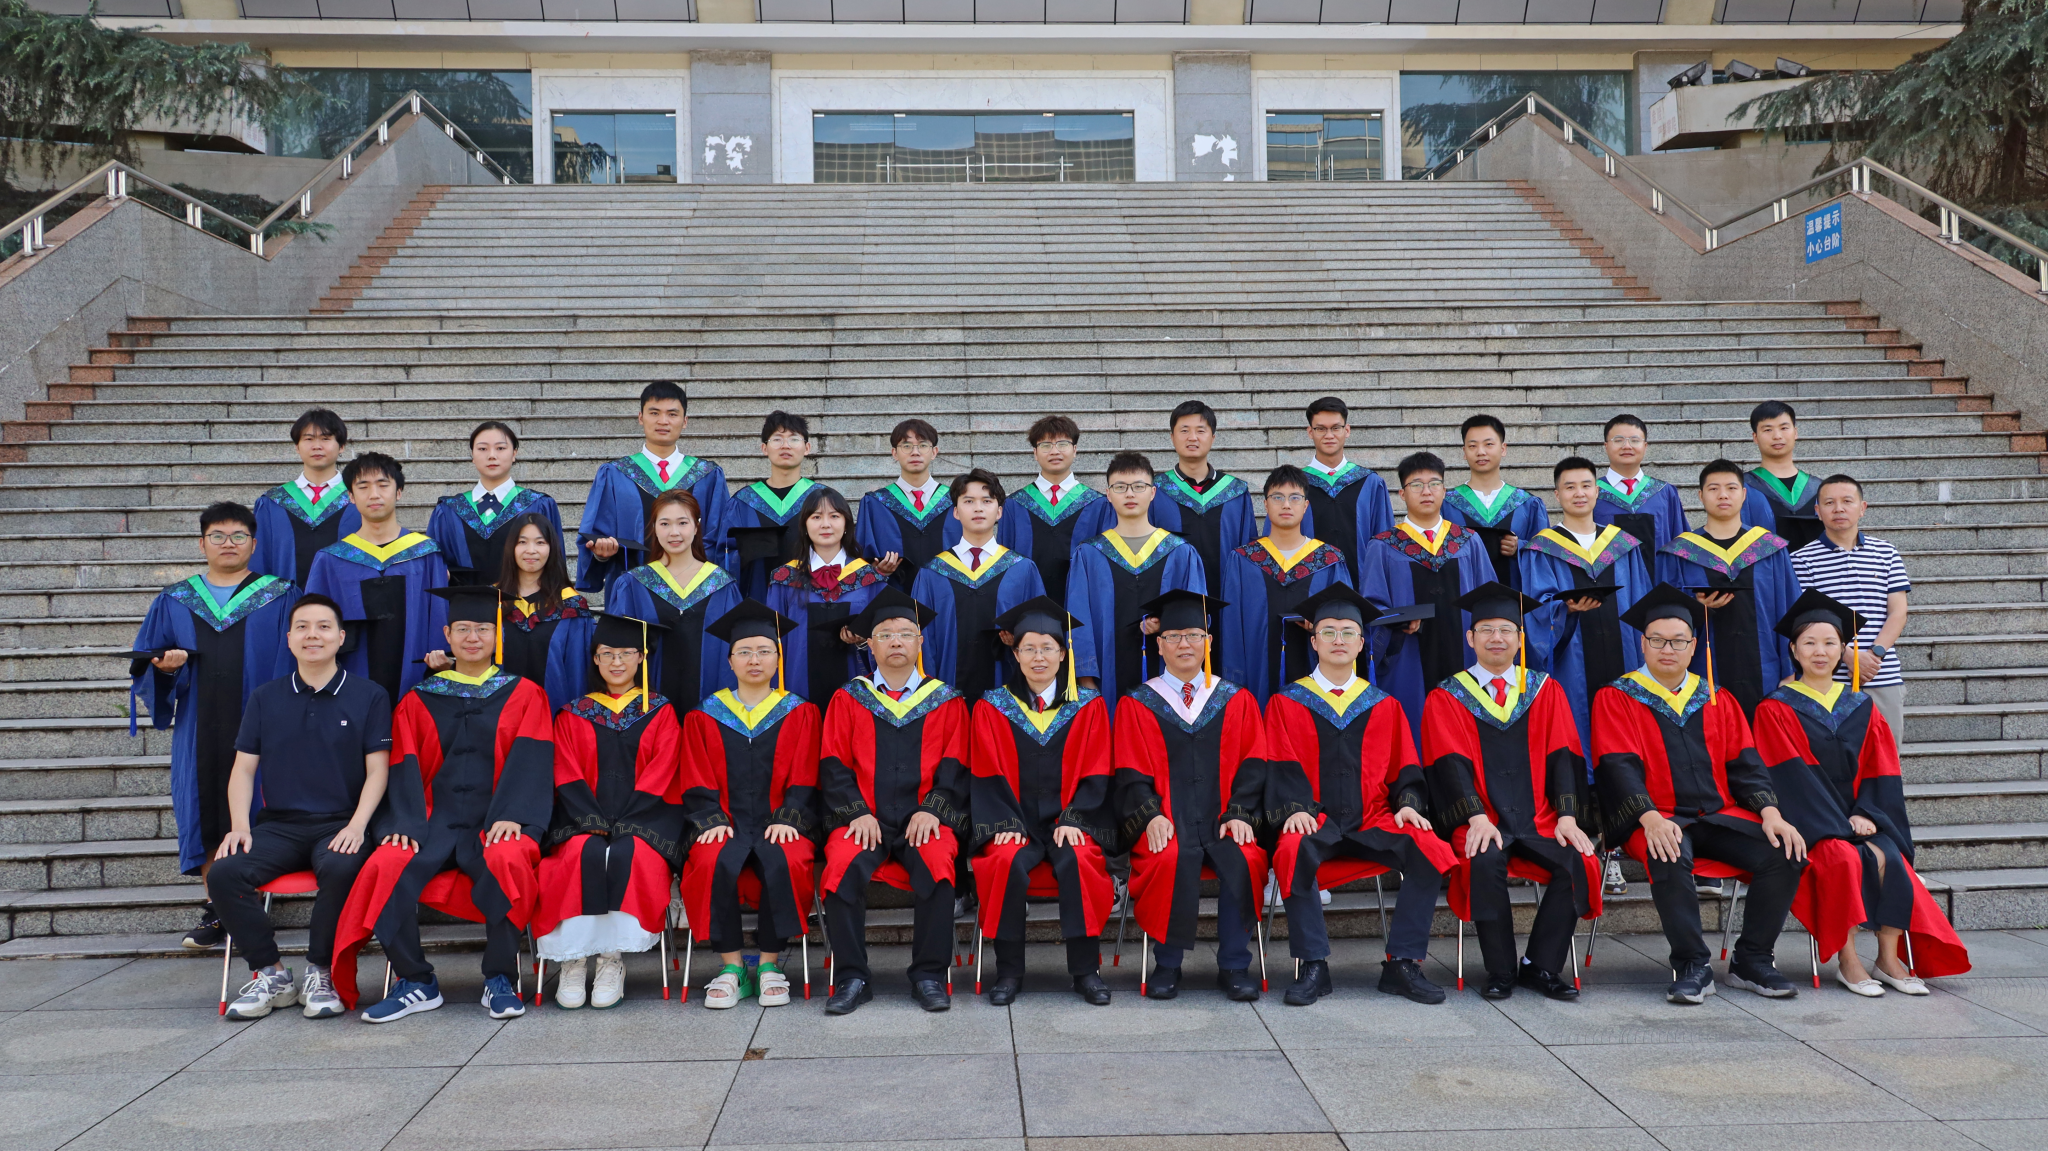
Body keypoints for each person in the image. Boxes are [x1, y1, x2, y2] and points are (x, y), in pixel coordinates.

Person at [333, 586, 554, 1021]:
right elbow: (403, 765)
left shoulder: (525, 694)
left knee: (508, 858)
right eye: (463, 629)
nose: (473, 637)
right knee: (385, 862)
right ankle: (416, 980)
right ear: (447, 635)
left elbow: (534, 758)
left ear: (497, 636)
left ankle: (500, 977)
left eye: (483, 629)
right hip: (430, 819)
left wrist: (514, 814)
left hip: (495, 818)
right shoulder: (419, 699)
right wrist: (403, 822)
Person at [1592, 584, 1808, 1005]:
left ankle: (1752, 959)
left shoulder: (1716, 697)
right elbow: (1618, 766)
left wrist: (1770, 812)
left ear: (1693, 646)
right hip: (1655, 816)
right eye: (1657, 640)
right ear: (1643, 643)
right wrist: (1649, 818)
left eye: (1677, 641)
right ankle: (1692, 964)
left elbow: (1745, 765)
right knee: (1668, 851)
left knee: (1784, 851)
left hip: (1718, 814)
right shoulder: (1616, 696)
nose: (1667, 649)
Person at [1753, 589, 1969, 995]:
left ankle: (1887, 958)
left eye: (1830, 643)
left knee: (1892, 855)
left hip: (1860, 816)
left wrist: (1867, 812)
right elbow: (1791, 777)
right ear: (1794, 650)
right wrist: (1839, 823)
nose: (1820, 652)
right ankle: (1847, 960)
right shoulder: (1775, 709)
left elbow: (1881, 769)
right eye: (1809, 643)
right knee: (1842, 857)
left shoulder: (1861, 706)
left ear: (1843, 651)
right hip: (1811, 824)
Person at [1263, 584, 1456, 1006]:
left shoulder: (1384, 705)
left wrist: (1408, 805)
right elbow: (1278, 762)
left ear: (1361, 642)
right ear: (1313, 641)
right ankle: (1314, 965)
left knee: (1429, 847)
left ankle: (1402, 963)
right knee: (1293, 848)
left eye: (1348, 632)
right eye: (1328, 632)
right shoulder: (1286, 703)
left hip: (1373, 817)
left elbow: (1405, 768)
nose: (1339, 640)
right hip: (1315, 819)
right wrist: (1293, 808)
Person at [212, 594, 390, 1020]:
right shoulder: (265, 697)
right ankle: (270, 973)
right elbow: (243, 769)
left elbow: (378, 771)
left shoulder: (369, 695)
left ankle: (320, 972)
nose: (313, 635)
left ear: (341, 637)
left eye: (324, 627)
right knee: (225, 872)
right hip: (280, 825)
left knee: (342, 867)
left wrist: (358, 825)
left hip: (340, 822)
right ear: (289, 638)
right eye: (303, 627)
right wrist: (239, 826)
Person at [129, 502, 299, 949]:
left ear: (254, 544)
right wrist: (166, 669)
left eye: (238, 536)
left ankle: (250, 899)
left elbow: (300, 656)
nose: (228, 544)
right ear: (202, 543)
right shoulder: (174, 600)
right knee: (204, 808)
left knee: (259, 804)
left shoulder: (280, 595)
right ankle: (218, 907)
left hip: (263, 722)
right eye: (218, 536)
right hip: (198, 723)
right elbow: (146, 662)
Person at [1422, 583, 1601, 1002]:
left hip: (1541, 818)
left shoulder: (1545, 690)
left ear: (1520, 639)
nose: (1496, 638)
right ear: (1471, 638)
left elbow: (1564, 755)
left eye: (1506, 629)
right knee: (1483, 859)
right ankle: (1500, 969)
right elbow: (1447, 763)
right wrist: (1475, 817)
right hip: (1481, 818)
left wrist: (1568, 816)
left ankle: (1541, 965)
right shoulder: (1447, 696)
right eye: (1486, 630)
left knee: (1579, 859)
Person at [818, 589, 971, 1015]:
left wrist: (933, 808)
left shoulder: (946, 700)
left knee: (939, 863)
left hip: (924, 818)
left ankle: (928, 975)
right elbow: (833, 763)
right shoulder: (849, 698)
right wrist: (856, 812)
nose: (896, 641)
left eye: (905, 633)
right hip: (864, 819)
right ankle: (852, 977)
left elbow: (957, 763)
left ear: (920, 642)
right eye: (885, 635)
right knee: (839, 865)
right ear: (871, 644)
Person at [1114, 589, 1268, 1002]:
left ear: (1208, 642)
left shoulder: (1237, 700)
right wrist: (1150, 815)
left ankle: (1234, 965)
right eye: (1174, 636)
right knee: (1166, 857)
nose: (1185, 644)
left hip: (1223, 819)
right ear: (1159, 645)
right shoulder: (1137, 704)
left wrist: (1240, 813)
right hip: (1167, 820)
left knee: (1246, 856)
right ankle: (1167, 964)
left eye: (1194, 635)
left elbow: (1255, 765)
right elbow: (1129, 772)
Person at [533, 612, 685, 1010]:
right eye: (607, 654)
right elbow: (564, 770)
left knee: (628, 854)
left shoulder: (660, 711)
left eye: (626, 653)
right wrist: (591, 818)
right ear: (595, 660)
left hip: (644, 819)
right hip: (583, 820)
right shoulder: (574, 713)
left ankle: (610, 959)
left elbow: (664, 769)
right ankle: (572, 959)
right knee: (579, 853)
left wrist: (631, 819)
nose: (617, 662)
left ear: (642, 657)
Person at [969, 597, 1116, 1006]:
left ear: (1063, 654)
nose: (1039, 657)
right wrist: (1004, 824)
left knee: (1081, 859)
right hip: (1014, 822)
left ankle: (1086, 971)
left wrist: (1076, 818)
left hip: (1069, 820)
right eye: (1029, 648)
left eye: (1048, 648)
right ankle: (1008, 972)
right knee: (1003, 860)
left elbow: (1098, 769)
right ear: (1015, 654)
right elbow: (985, 771)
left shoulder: (1088, 706)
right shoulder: (992, 707)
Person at [680, 600, 821, 1010]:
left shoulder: (801, 713)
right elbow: (695, 774)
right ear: (730, 661)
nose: (754, 660)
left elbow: (806, 772)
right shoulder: (704, 715)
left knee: (786, 856)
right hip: (724, 821)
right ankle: (731, 967)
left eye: (763, 651)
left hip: (781, 820)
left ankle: (770, 965)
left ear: (778, 658)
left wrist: (790, 816)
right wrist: (710, 819)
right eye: (744, 652)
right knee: (710, 857)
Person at [1358, 451, 1492, 742]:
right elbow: (1371, 606)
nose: (1426, 491)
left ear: (1444, 490)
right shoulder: (1383, 546)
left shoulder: (1468, 541)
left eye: (1434, 483)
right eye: (1416, 484)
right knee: (1414, 732)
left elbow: (1488, 600)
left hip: (1465, 653)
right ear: (1402, 494)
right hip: (1407, 655)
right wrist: (1397, 622)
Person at [1520, 456, 1651, 751]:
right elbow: (1537, 607)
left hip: (1623, 653)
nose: (1579, 493)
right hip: (1572, 659)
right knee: (1576, 729)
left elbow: (1642, 601)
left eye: (1586, 486)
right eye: (1570, 487)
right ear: (1557, 495)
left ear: (1597, 491)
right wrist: (1564, 609)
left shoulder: (1623, 544)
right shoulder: (1543, 547)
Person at [1656, 459, 1802, 720]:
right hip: (1702, 670)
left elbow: (1790, 610)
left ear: (1743, 494)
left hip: (1766, 668)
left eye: (1731, 488)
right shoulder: (1680, 552)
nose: (1723, 495)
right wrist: (1697, 608)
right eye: (1713, 489)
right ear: (1700, 496)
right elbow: (1666, 614)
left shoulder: (1769, 549)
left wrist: (1791, 669)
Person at [1066, 451, 1206, 709]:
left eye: (1138, 486)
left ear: (1152, 493)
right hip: (1106, 678)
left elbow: (1197, 614)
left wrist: (1168, 623)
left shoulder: (1180, 553)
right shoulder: (1089, 554)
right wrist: (1086, 680)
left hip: (1169, 673)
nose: (1130, 494)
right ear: (1108, 494)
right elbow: (1078, 619)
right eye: (1120, 487)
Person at [304, 453, 448, 703]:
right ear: (350, 496)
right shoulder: (331, 560)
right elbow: (314, 621)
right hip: (350, 683)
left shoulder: (426, 553)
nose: (374, 494)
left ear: (398, 492)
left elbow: (438, 616)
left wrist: (439, 661)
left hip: (416, 679)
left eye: (383, 485)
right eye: (363, 486)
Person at [1789, 475, 1911, 749]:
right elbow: (1808, 620)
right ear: (1817, 511)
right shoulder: (1801, 559)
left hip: (1881, 674)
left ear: (1862, 507)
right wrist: (1848, 656)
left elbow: (1898, 612)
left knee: (1886, 756)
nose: (1839, 509)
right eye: (1829, 503)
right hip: (1828, 677)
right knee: (1833, 759)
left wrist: (1875, 654)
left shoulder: (1886, 553)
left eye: (1847, 501)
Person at [576, 381, 731, 592]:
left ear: (685, 421)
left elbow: (719, 539)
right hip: (633, 591)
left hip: (694, 591)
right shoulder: (615, 475)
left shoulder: (707, 476)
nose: (663, 421)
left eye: (672, 414)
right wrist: (600, 554)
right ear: (641, 417)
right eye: (654, 413)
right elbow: (595, 536)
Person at [1220, 465, 1353, 703]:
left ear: (1306, 505)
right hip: (1257, 670)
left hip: (1315, 665)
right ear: (1265, 504)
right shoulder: (1243, 560)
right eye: (1277, 497)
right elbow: (1231, 627)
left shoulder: (1329, 559)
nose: (1286, 505)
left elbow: (1345, 619)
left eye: (1295, 497)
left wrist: (1322, 624)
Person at [912, 469, 1046, 701]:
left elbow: (1040, 631)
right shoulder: (933, 573)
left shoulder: (1022, 570)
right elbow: (922, 640)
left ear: (999, 511)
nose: (978, 508)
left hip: (1008, 691)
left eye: (987, 501)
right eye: (968, 501)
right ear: (955, 512)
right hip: (945, 690)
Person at [604, 490, 741, 712]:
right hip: (648, 704)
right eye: (665, 524)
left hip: (710, 701)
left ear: (696, 527)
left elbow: (734, 650)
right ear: (654, 528)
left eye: (683, 523)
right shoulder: (634, 584)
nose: (674, 532)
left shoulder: (721, 584)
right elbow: (617, 648)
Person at [766, 486, 893, 705]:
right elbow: (773, 639)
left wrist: (863, 640)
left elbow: (885, 635)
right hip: (797, 687)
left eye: (834, 516)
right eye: (816, 517)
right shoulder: (784, 579)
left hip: (856, 683)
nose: (826, 524)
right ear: (805, 525)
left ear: (846, 524)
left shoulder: (869, 579)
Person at [1148, 402, 1257, 629]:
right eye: (1184, 430)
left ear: (1213, 437)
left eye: (1200, 430)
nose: (1192, 437)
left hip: (1229, 601)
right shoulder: (1155, 492)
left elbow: (1248, 551)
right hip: (1173, 605)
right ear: (1172, 437)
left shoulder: (1235, 492)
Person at [474, 510, 594, 711]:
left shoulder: (572, 607)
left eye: (540, 542)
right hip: (496, 715)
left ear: (551, 548)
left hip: (553, 714)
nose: (531, 550)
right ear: (511, 547)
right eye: (522, 542)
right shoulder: (492, 600)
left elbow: (578, 674)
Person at [427, 421, 564, 588]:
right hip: (463, 603)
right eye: (482, 449)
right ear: (472, 455)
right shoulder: (449, 510)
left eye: (500, 448)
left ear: (514, 453)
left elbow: (555, 565)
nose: (492, 455)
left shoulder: (538, 504)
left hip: (526, 603)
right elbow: (434, 570)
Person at [996, 414, 1112, 605]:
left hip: (1081, 605)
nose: (1054, 451)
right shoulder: (1014, 506)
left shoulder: (1098, 505)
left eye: (1062, 444)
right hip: (1027, 607)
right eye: (1046, 445)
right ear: (1035, 452)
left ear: (1075, 450)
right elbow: (1004, 563)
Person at [251, 409, 361, 588]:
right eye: (309, 439)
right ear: (297, 446)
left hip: (345, 599)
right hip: (287, 601)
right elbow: (259, 561)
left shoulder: (359, 499)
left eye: (325, 438)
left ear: (341, 446)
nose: (317, 446)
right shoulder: (273, 503)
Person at [1444, 414, 1549, 589]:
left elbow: (1544, 555)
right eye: (1473, 446)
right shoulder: (1447, 504)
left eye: (1488, 444)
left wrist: (1519, 547)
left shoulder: (1527, 504)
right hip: (1463, 597)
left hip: (1514, 599)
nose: (1481, 452)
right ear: (1464, 452)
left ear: (1503, 448)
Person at [1295, 397, 1392, 585]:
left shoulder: (1370, 483)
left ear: (1346, 430)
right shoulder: (1295, 485)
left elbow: (1383, 539)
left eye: (1336, 428)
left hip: (1362, 588)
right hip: (1306, 588)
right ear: (1310, 432)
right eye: (1321, 429)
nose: (1329, 435)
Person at [725, 411, 820, 601]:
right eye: (777, 439)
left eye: (794, 439)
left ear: (807, 447)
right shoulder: (743, 502)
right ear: (764, 448)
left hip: (809, 600)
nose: (785, 445)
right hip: (756, 601)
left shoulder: (821, 499)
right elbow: (726, 554)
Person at [856, 418, 959, 592]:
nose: (915, 452)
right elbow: (862, 561)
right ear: (895, 453)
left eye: (923, 445)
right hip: (895, 597)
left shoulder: (956, 501)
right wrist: (878, 570)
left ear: (934, 452)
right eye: (906, 446)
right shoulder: (875, 504)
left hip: (947, 596)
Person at [1595, 414, 1687, 553]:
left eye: (1634, 440)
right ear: (1606, 446)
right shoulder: (1591, 493)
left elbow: (1680, 544)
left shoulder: (1664, 493)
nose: (1627, 446)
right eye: (1618, 440)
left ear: (1645, 446)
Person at [1741, 401, 1824, 552]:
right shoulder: (1742, 487)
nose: (1777, 436)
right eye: (1768, 430)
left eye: (1784, 428)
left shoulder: (1820, 488)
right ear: (1755, 437)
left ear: (1795, 432)